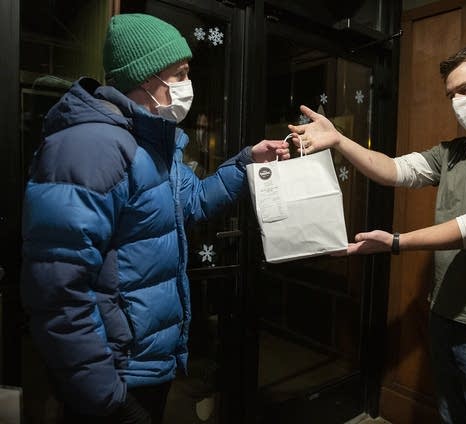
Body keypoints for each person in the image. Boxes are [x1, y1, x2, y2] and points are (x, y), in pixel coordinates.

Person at [20, 13, 289, 424]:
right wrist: (104, 396)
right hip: (115, 374)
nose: (187, 85)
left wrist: (245, 163)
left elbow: (193, 200)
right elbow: (58, 289)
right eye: (179, 74)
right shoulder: (90, 147)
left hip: (146, 364)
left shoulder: (150, 143)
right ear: (146, 79)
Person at [288, 44, 466, 424]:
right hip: (444, 312)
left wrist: (397, 242)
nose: (458, 102)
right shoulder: (453, 150)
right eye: (451, 95)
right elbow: (394, 170)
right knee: (450, 415)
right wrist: (339, 140)